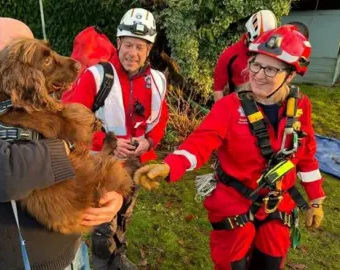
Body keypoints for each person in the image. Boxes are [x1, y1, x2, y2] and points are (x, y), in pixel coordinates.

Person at [0, 17, 123, 270]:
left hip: (73, 252)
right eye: (18, 45)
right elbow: (7, 174)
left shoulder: (23, 100)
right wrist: (70, 144)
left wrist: (110, 191)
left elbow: (70, 158)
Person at [134, 25, 325, 270]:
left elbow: (305, 154)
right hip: (234, 202)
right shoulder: (229, 107)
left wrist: (316, 199)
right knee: (230, 264)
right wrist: (169, 166)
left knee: (271, 261)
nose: (258, 74)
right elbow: (201, 142)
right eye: (256, 64)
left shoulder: (300, 107)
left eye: (270, 69)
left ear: (290, 75)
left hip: (278, 204)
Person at [62, 8, 169, 270]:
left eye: (140, 47)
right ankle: (102, 262)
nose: (133, 53)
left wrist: (149, 142)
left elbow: (161, 120)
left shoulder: (156, 80)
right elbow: (72, 122)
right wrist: (106, 142)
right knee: (103, 219)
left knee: (125, 212)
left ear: (149, 49)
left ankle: (117, 256)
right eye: (129, 44)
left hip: (135, 163)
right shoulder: (97, 76)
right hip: (102, 164)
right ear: (118, 42)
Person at [213, 10, 277, 102]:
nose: (257, 49)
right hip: (239, 105)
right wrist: (220, 114)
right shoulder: (230, 55)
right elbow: (218, 90)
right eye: (254, 44)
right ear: (248, 34)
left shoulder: (272, 54)